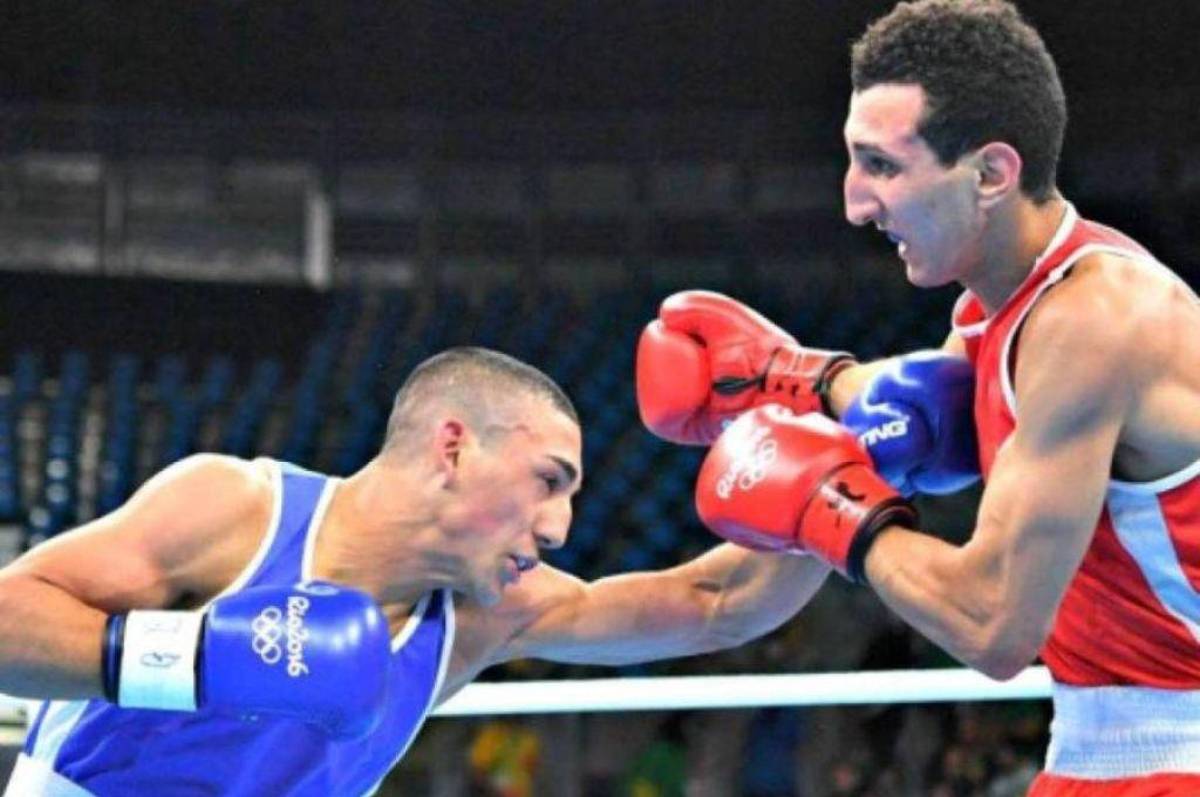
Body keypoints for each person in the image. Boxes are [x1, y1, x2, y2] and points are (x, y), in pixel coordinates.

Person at [636, 1, 1200, 793]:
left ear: (991, 174)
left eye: (883, 166)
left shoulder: (1092, 319)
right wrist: (804, 379)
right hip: (1103, 752)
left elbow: (994, 624)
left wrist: (834, 508)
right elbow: (900, 419)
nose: (855, 203)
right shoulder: (993, 315)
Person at [0, 346, 831, 796]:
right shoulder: (239, 511)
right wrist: (203, 659)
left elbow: (717, 601)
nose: (559, 527)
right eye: (548, 480)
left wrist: (842, 488)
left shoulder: (485, 613)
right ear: (454, 446)